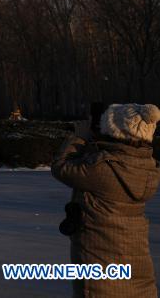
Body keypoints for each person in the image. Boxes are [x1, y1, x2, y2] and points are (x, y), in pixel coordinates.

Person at [52, 103, 160, 297]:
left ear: (114, 130)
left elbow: (61, 167)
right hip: (137, 264)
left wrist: (79, 136)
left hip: (101, 262)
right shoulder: (148, 168)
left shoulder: (103, 168)